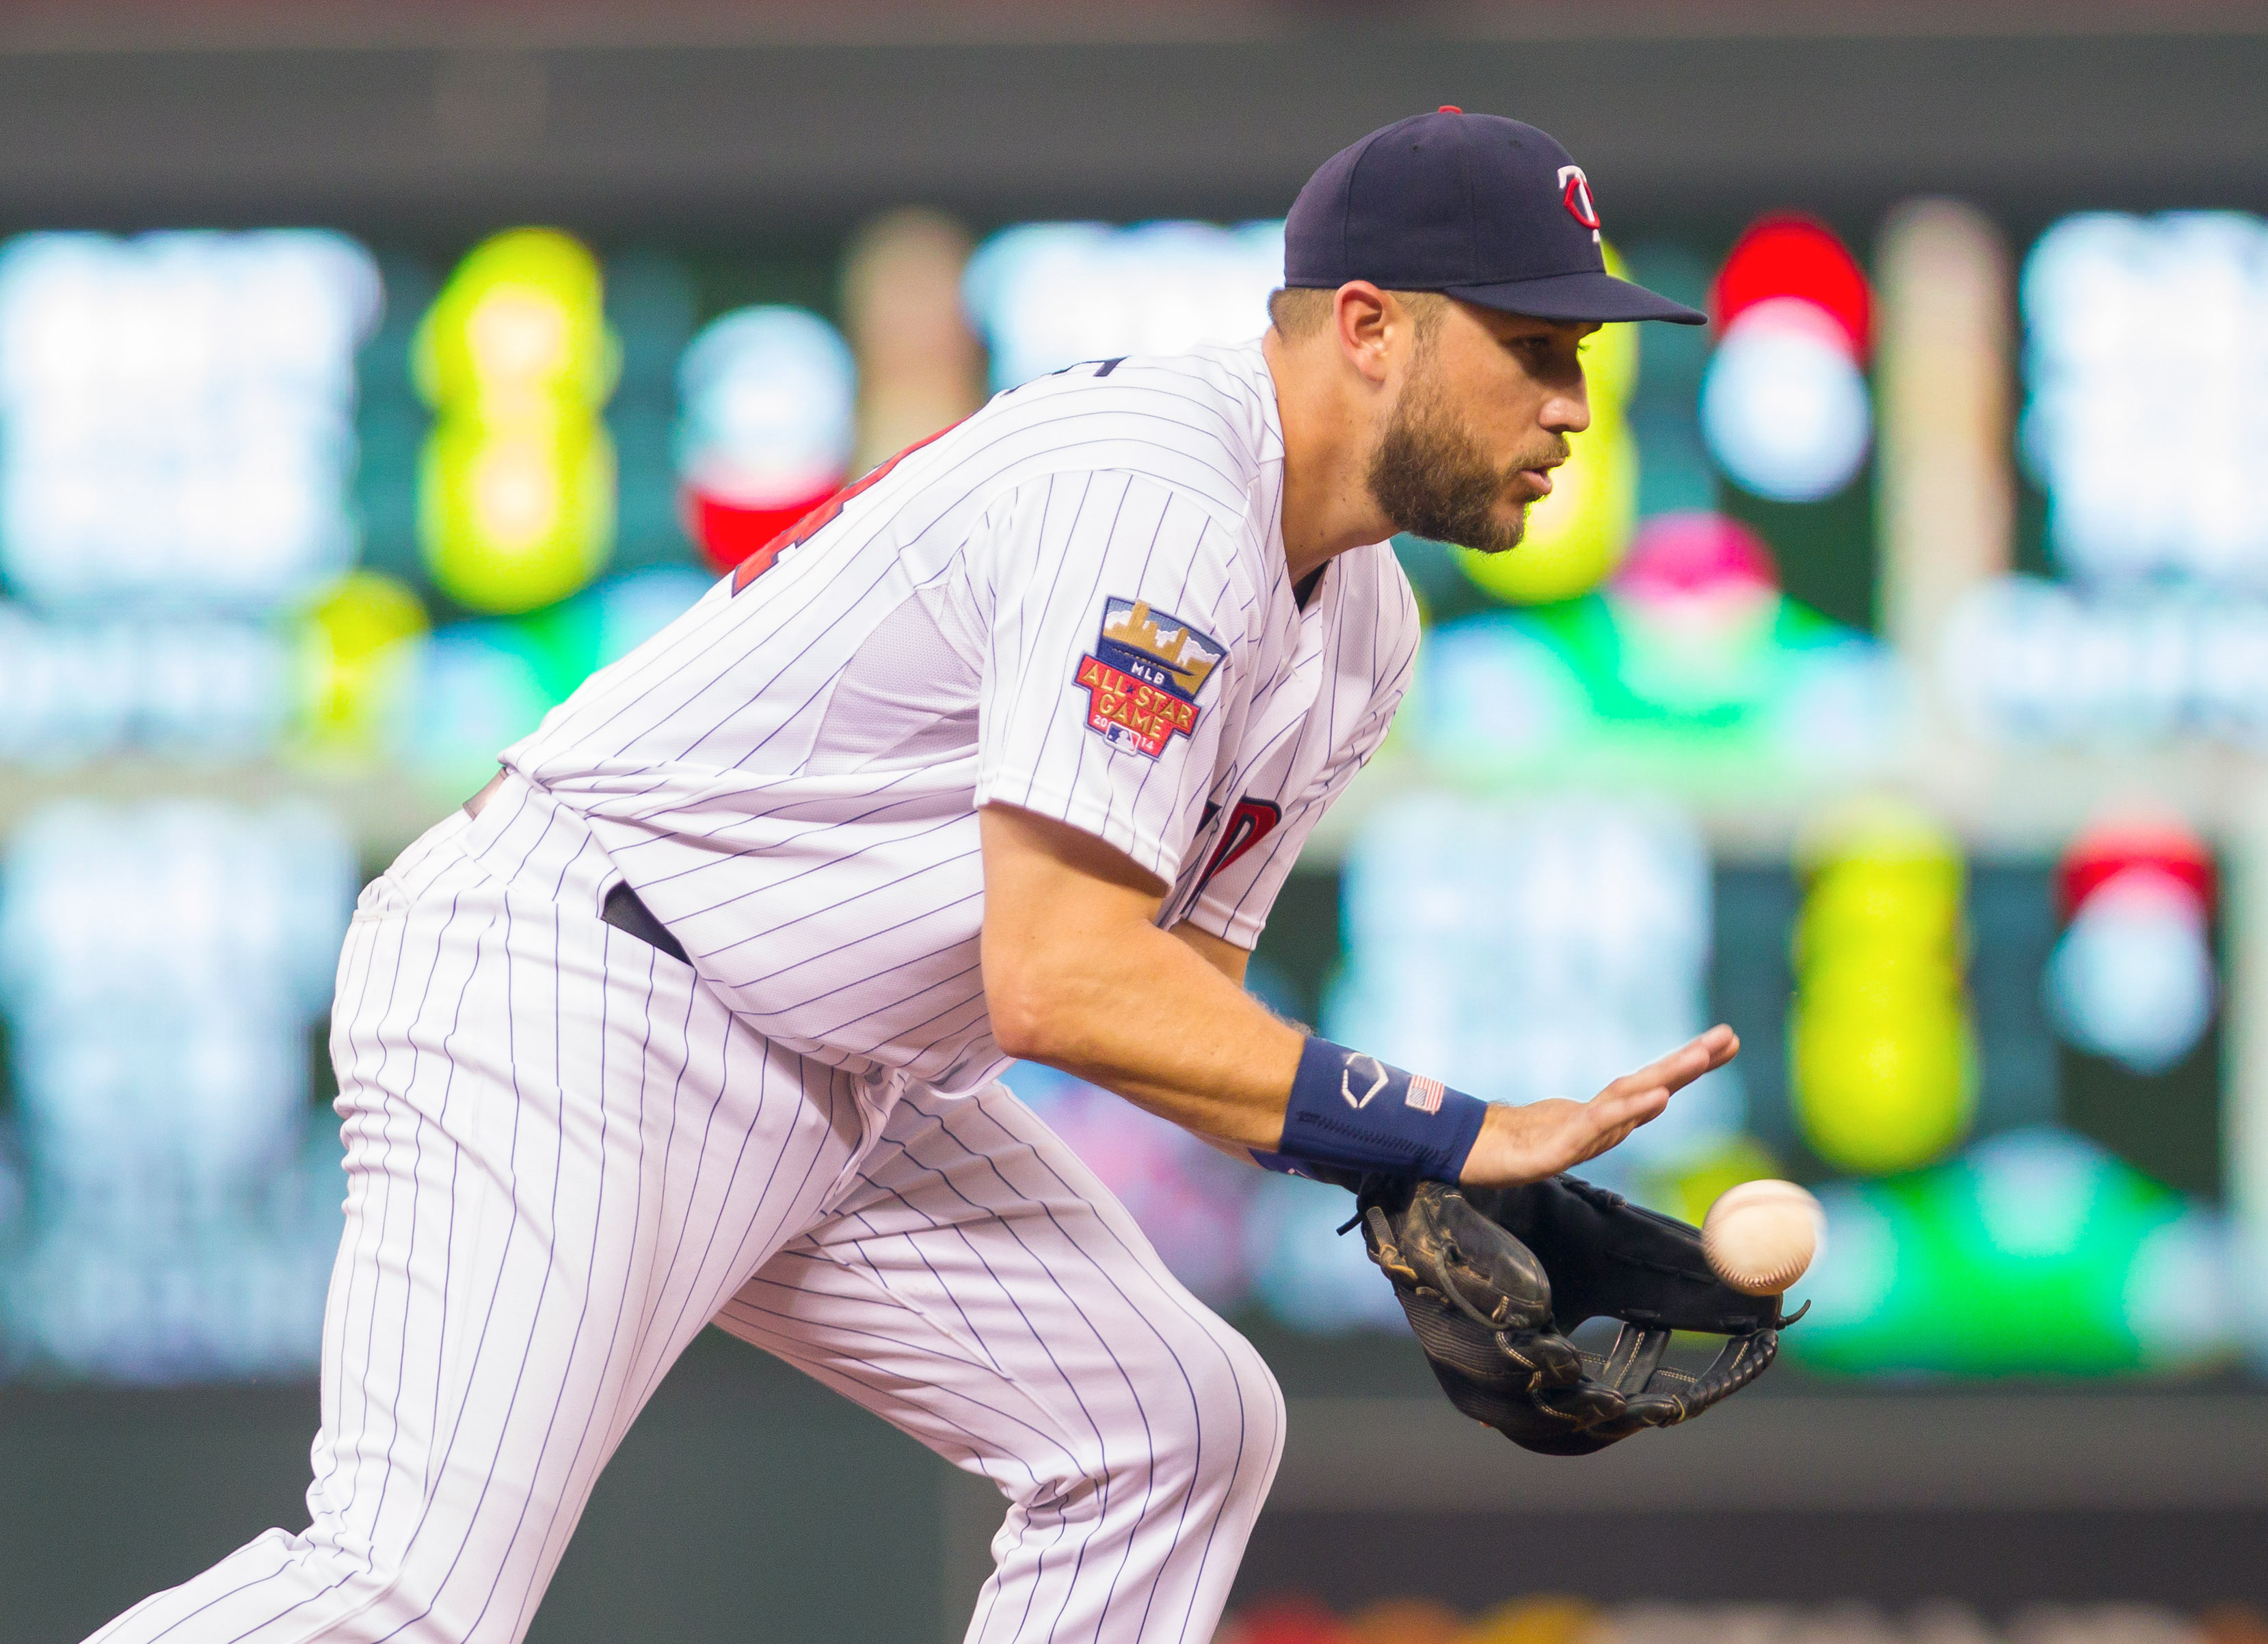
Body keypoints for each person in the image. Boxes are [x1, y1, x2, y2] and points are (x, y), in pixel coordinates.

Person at [89, 108, 1736, 1644]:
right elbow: (1060, 979)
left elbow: (1172, 1000)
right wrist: (1454, 1125)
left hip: (845, 1066)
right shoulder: (1156, 494)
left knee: (1177, 1428)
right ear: (1369, 326)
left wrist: (1421, 1175)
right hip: (582, 986)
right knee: (406, 1591)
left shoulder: (1362, 623)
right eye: (1533, 348)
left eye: (1578, 356)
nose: (1574, 407)